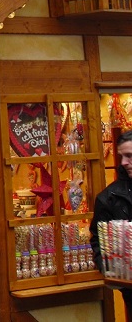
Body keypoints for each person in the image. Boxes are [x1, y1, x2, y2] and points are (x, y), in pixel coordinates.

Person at [90, 130, 132, 318]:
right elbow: (98, 242)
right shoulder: (109, 198)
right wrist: (112, 270)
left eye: (129, 156)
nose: (123, 162)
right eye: (122, 156)